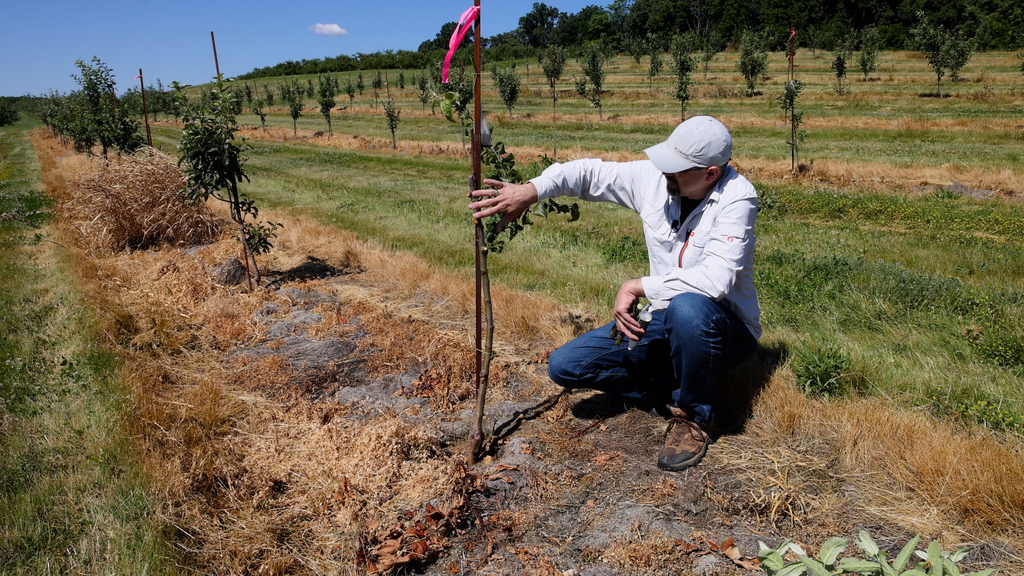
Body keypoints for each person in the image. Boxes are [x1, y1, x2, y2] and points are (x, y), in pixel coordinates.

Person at [469, 116, 760, 471]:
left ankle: (695, 416)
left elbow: (716, 280)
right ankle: (669, 389)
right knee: (566, 366)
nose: (665, 173)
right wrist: (531, 191)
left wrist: (638, 286)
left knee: (688, 309)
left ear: (710, 174)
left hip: (722, 328)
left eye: (677, 169)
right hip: (666, 318)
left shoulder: (737, 198)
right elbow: (588, 174)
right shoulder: (658, 181)